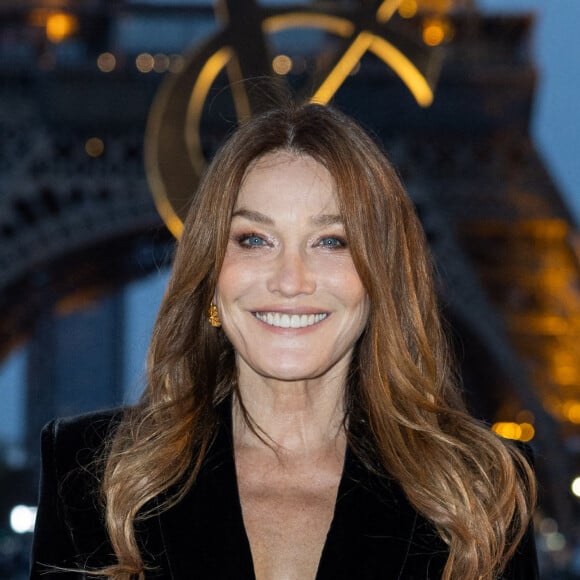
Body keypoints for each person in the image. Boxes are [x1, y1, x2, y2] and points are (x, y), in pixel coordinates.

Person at [30, 103, 538, 580]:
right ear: (211, 275)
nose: (290, 280)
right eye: (255, 239)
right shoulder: (90, 474)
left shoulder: (483, 490)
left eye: (331, 241)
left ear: (380, 279)